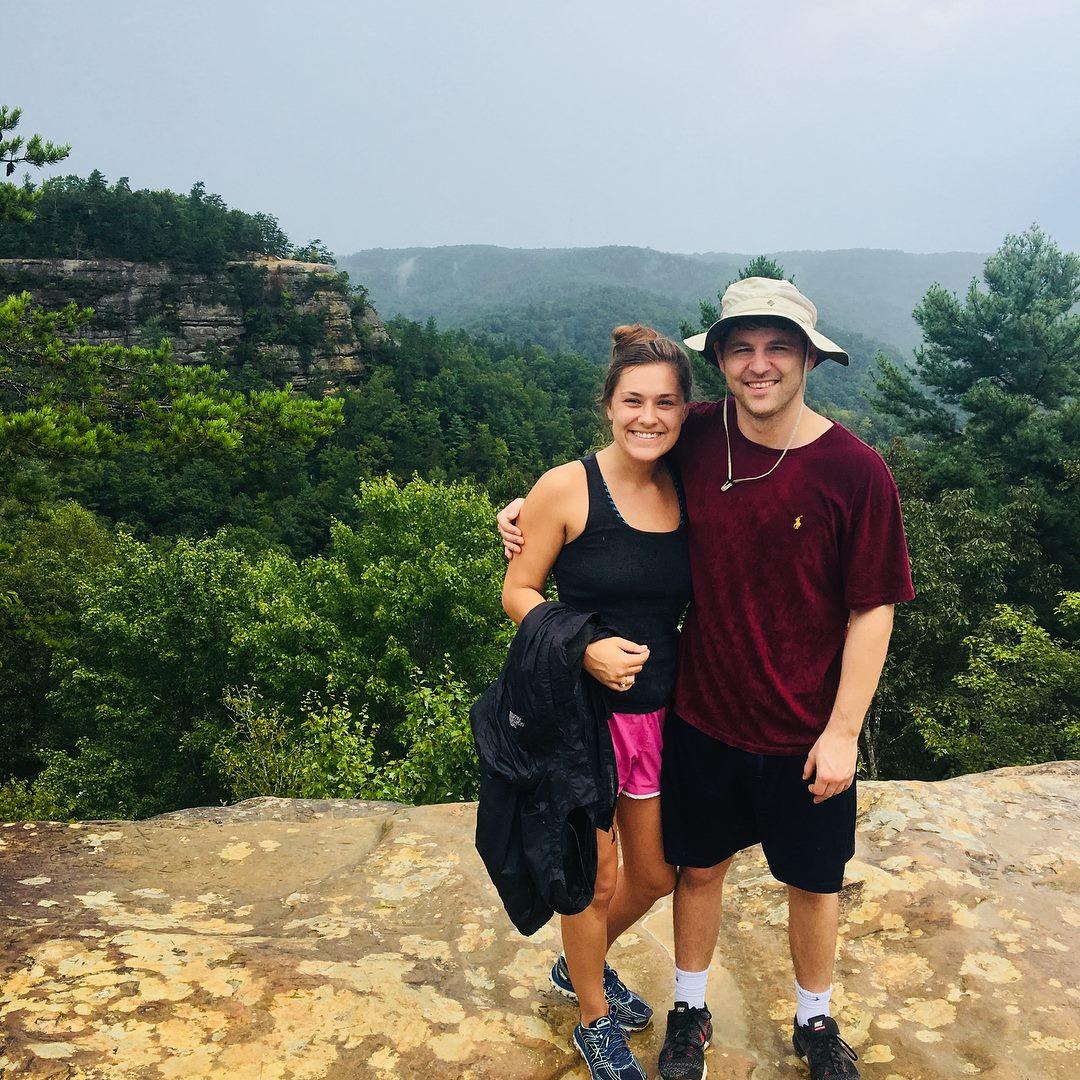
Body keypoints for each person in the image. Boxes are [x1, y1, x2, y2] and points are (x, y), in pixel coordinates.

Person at [499, 277, 915, 1080]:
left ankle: (815, 1021)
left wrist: (843, 732)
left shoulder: (857, 471)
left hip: (803, 726)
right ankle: (686, 1010)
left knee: (813, 880)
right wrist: (524, 509)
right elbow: (618, 460)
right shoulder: (694, 433)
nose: (760, 366)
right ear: (721, 360)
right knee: (694, 870)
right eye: (743, 349)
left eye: (778, 348)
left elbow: (874, 610)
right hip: (700, 715)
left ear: (808, 361)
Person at [500, 324, 694, 1080]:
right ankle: (592, 1015)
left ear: (685, 412)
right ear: (607, 406)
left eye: (666, 403)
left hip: (657, 712)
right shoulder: (567, 486)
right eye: (633, 401)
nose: (649, 417)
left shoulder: (687, 479)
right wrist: (581, 645)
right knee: (593, 874)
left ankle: (581, 964)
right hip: (577, 715)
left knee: (656, 874)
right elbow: (518, 591)